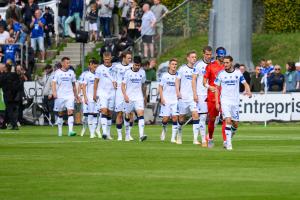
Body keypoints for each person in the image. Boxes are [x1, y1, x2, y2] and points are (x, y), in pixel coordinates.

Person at [214, 56, 252, 150]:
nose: (225, 64)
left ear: (231, 62)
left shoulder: (238, 73)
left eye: (227, 62)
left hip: (235, 102)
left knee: (235, 124)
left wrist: (248, 91)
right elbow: (216, 89)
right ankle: (229, 144)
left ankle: (229, 136)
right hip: (225, 101)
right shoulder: (221, 74)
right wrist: (217, 103)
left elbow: (245, 83)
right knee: (228, 120)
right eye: (224, 63)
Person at [203, 47, 226, 148]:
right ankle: (210, 138)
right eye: (221, 55)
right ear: (217, 54)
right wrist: (209, 86)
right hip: (212, 96)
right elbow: (204, 82)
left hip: (224, 96)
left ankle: (226, 141)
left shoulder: (226, 66)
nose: (222, 57)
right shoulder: (210, 66)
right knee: (212, 119)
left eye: (224, 55)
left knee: (226, 119)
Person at [175, 51, 200, 145]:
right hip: (183, 97)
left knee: (195, 115)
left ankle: (195, 139)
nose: (194, 59)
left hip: (193, 97)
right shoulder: (182, 69)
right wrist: (177, 92)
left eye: (195, 57)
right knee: (181, 118)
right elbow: (177, 81)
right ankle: (179, 134)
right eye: (192, 57)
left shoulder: (197, 69)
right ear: (188, 58)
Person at [122, 55, 147, 142]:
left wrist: (144, 97)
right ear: (133, 64)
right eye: (136, 65)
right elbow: (122, 85)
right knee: (127, 116)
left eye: (139, 65)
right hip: (129, 97)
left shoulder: (142, 72)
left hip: (138, 97)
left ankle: (141, 135)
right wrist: (125, 95)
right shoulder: (127, 72)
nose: (137, 67)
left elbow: (144, 85)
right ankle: (127, 134)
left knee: (141, 114)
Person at [52, 57, 79, 137]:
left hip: (69, 95)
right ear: (62, 63)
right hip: (60, 96)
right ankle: (60, 131)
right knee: (60, 113)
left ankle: (70, 131)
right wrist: (54, 93)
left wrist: (76, 95)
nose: (68, 64)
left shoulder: (71, 72)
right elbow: (53, 83)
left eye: (69, 62)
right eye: (67, 63)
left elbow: (74, 85)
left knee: (70, 111)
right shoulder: (57, 72)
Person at [192, 46, 213, 147]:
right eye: (207, 54)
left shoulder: (214, 64)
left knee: (215, 117)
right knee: (203, 116)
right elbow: (194, 79)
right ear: (203, 54)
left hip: (213, 93)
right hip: (201, 94)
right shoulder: (199, 65)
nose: (209, 56)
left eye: (210, 54)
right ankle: (204, 139)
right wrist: (195, 94)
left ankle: (209, 136)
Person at [93, 51, 116, 140]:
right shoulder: (99, 68)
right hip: (102, 93)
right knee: (104, 110)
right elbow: (96, 81)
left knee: (109, 113)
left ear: (111, 58)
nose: (106, 61)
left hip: (112, 93)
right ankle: (104, 133)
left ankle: (108, 133)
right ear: (103, 59)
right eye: (105, 59)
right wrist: (95, 93)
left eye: (108, 59)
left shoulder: (115, 68)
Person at [113, 51, 133, 141]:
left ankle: (128, 134)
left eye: (130, 58)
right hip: (119, 93)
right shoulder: (117, 67)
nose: (130, 59)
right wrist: (113, 83)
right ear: (124, 58)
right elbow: (113, 78)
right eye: (128, 58)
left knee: (129, 113)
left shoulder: (132, 67)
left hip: (129, 92)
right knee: (120, 113)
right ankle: (120, 135)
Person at [159, 58, 178, 143]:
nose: (174, 66)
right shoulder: (165, 76)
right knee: (165, 119)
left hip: (175, 100)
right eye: (172, 64)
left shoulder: (178, 76)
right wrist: (162, 98)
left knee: (175, 118)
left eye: (175, 64)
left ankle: (173, 137)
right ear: (169, 65)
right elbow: (160, 87)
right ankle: (164, 129)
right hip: (166, 100)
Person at [0, 64, 23, 130]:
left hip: (7, 94)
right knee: (8, 109)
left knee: (9, 110)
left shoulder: (3, 76)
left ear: (6, 68)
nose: (3, 68)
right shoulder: (14, 75)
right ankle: (4, 124)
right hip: (14, 95)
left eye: (4, 67)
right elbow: (19, 84)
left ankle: (14, 125)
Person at [82, 58, 99, 138]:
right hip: (90, 97)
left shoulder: (99, 74)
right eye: (94, 66)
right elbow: (84, 87)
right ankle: (92, 133)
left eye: (96, 66)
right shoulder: (87, 75)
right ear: (91, 66)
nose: (95, 67)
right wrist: (85, 97)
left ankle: (95, 131)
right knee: (90, 115)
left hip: (99, 98)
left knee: (96, 115)